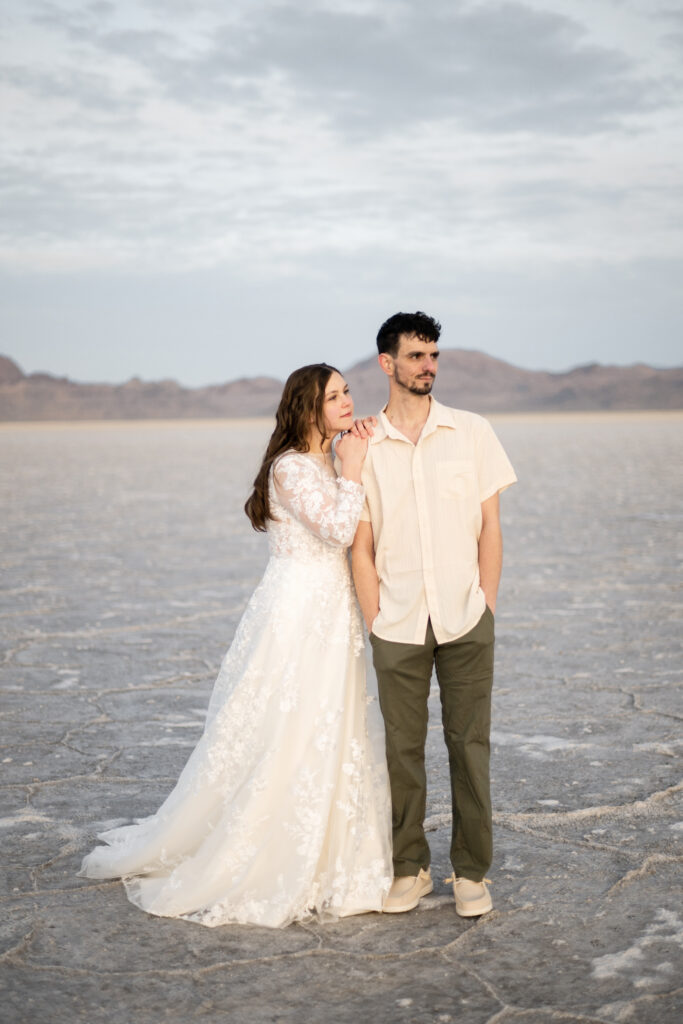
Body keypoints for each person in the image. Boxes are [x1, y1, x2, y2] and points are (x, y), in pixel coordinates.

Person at [79, 364, 392, 928]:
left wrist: (352, 454)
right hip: (297, 613)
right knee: (288, 725)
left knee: (331, 722)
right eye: (335, 396)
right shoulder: (292, 468)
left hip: (332, 610)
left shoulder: (328, 457)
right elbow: (340, 531)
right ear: (308, 407)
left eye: (348, 392)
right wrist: (354, 466)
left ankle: (337, 853)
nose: (348, 402)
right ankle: (270, 850)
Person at [350, 312, 517, 918]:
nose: (428, 367)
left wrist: (486, 603)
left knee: (470, 744)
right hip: (396, 621)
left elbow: (491, 527)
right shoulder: (365, 444)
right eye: (416, 356)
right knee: (402, 750)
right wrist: (374, 617)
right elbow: (360, 543)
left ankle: (471, 873)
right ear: (387, 363)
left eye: (434, 356)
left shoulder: (471, 432)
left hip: (466, 616)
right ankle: (409, 868)